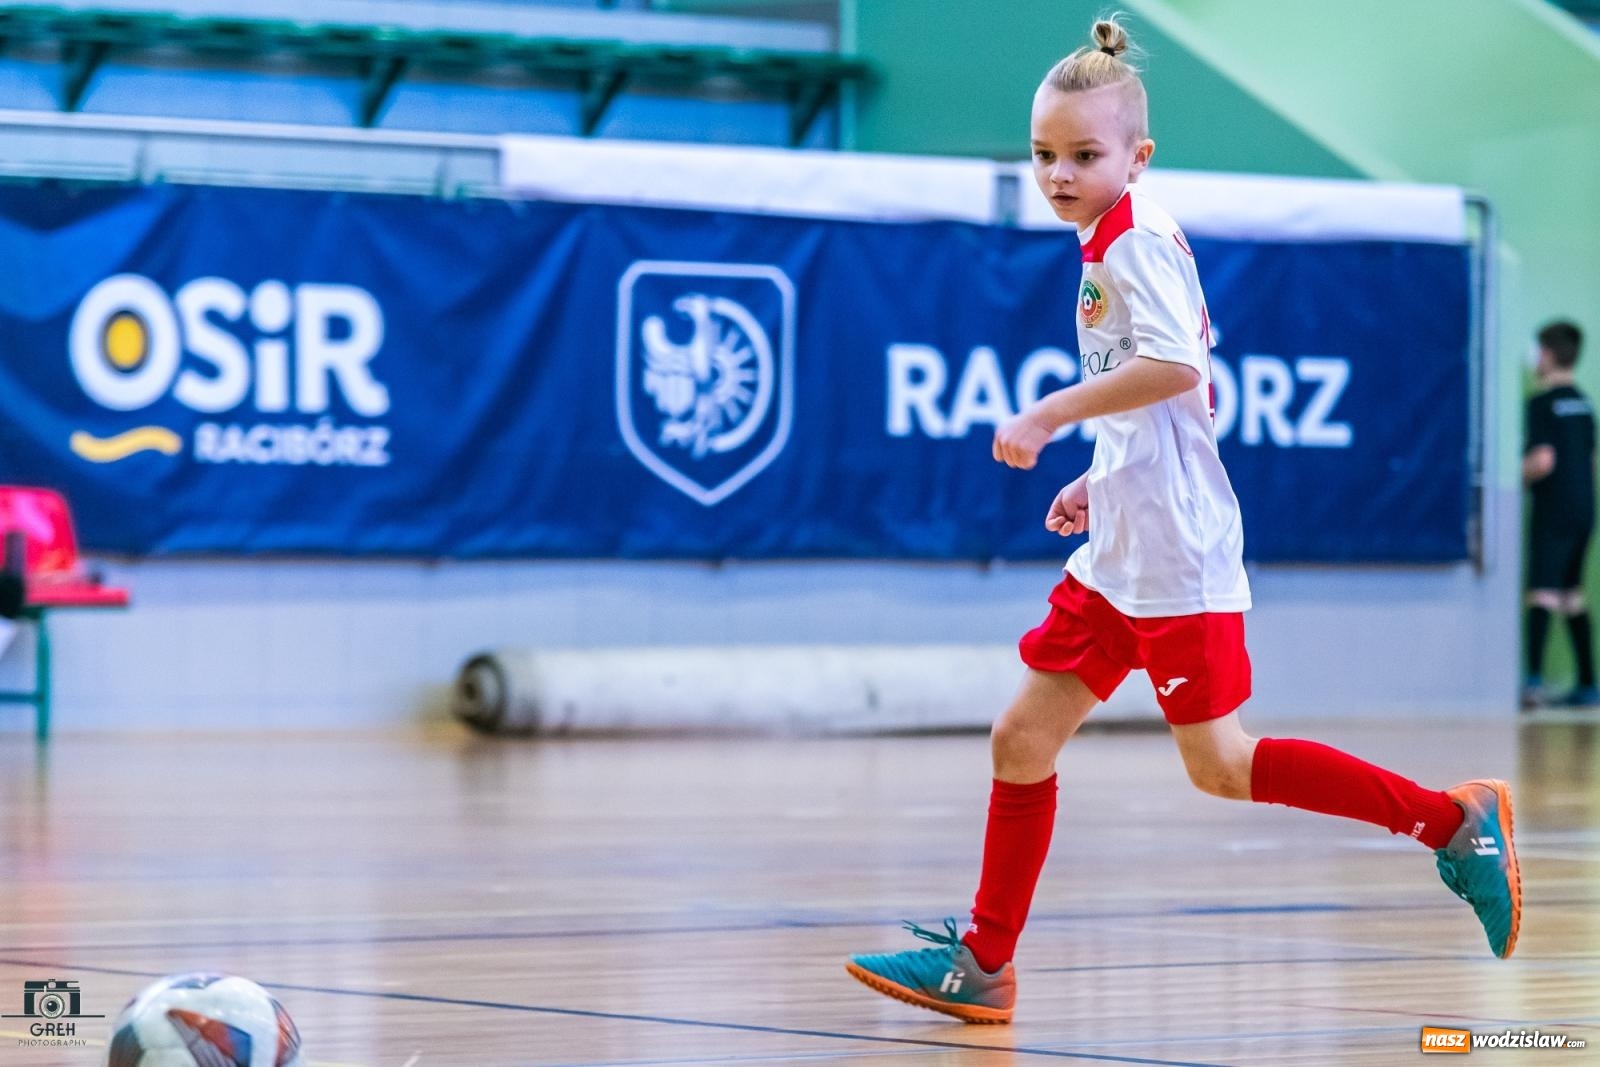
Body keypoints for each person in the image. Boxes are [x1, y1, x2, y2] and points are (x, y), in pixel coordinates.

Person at [844, 16, 1520, 1025]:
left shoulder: (1131, 243)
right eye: (1042, 155)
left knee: (1222, 765)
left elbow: (1178, 368)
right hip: (1123, 539)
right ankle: (983, 962)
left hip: (1174, 554)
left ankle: (1452, 822)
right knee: (1021, 738)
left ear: (1136, 156)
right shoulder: (1107, 237)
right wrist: (1099, 473)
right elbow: (1154, 397)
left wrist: (1047, 413)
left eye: (1082, 155)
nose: (1059, 173)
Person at [1523, 321, 1597, 708]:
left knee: (1543, 593)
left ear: (1548, 354)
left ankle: (1532, 682)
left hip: (1554, 510)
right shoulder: (1585, 404)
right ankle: (1588, 683)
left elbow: (1543, 461)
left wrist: (1519, 472)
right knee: (1572, 594)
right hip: (1585, 510)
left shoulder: (1541, 403)